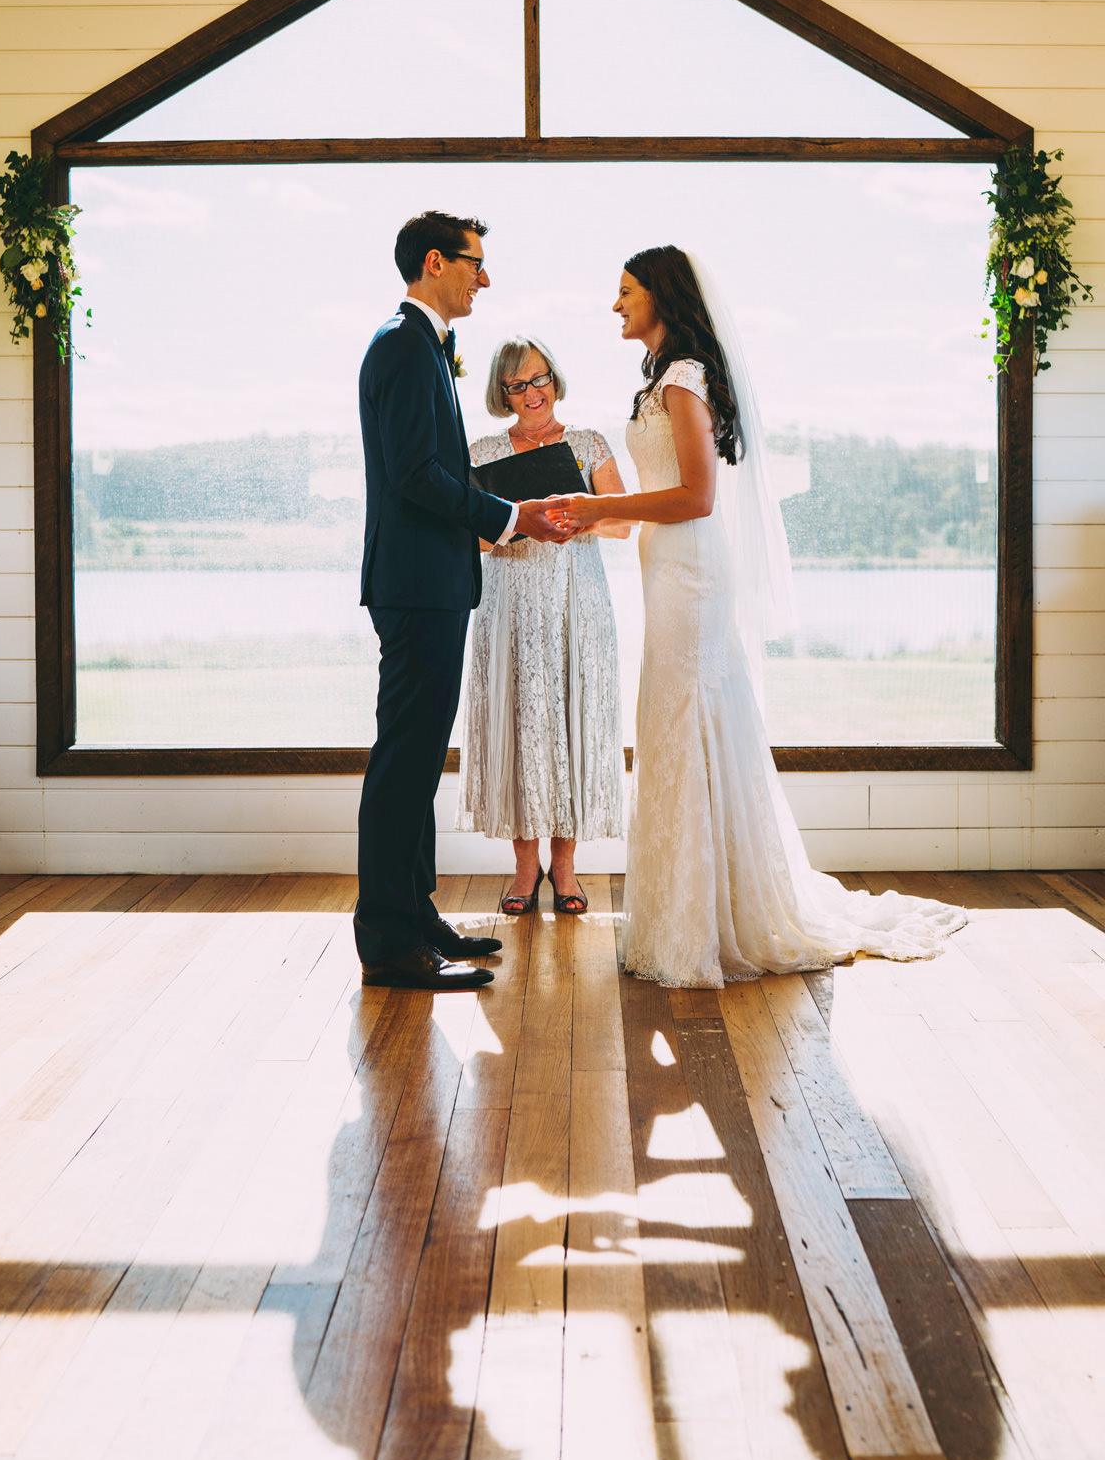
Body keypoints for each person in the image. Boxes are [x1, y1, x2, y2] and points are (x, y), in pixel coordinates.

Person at [547, 245, 968, 989]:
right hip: (668, 567)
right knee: (675, 723)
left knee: (684, 721)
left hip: (690, 568)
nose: (615, 305)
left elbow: (697, 498)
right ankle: (693, 911)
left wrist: (601, 506)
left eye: (625, 291)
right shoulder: (666, 379)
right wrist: (592, 516)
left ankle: (705, 921)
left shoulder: (683, 379)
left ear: (662, 298)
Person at [355, 210, 567, 991]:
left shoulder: (417, 346)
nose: (486, 277)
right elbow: (418, 478)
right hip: (416, 586)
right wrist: (512, 516)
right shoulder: (404, 347)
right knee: (402, 766)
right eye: (477, 263)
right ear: (437, 262)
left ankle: (417, 916)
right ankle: (387, 943)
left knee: (414, 763)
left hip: (429, 584)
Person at [459, 337, 627, 915]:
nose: (530, 393)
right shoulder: (481, 452)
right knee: (520, 725)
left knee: (571, 723)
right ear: (501, 393)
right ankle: (524, 868)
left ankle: (566, 867)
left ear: (554, 380)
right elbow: (472, 537)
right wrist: (521, 526)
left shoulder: (587, 443)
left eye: (538, 380)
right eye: (516, 385)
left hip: (576, 604)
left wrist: (577, 518)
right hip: (510, 603)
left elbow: (622, 523)